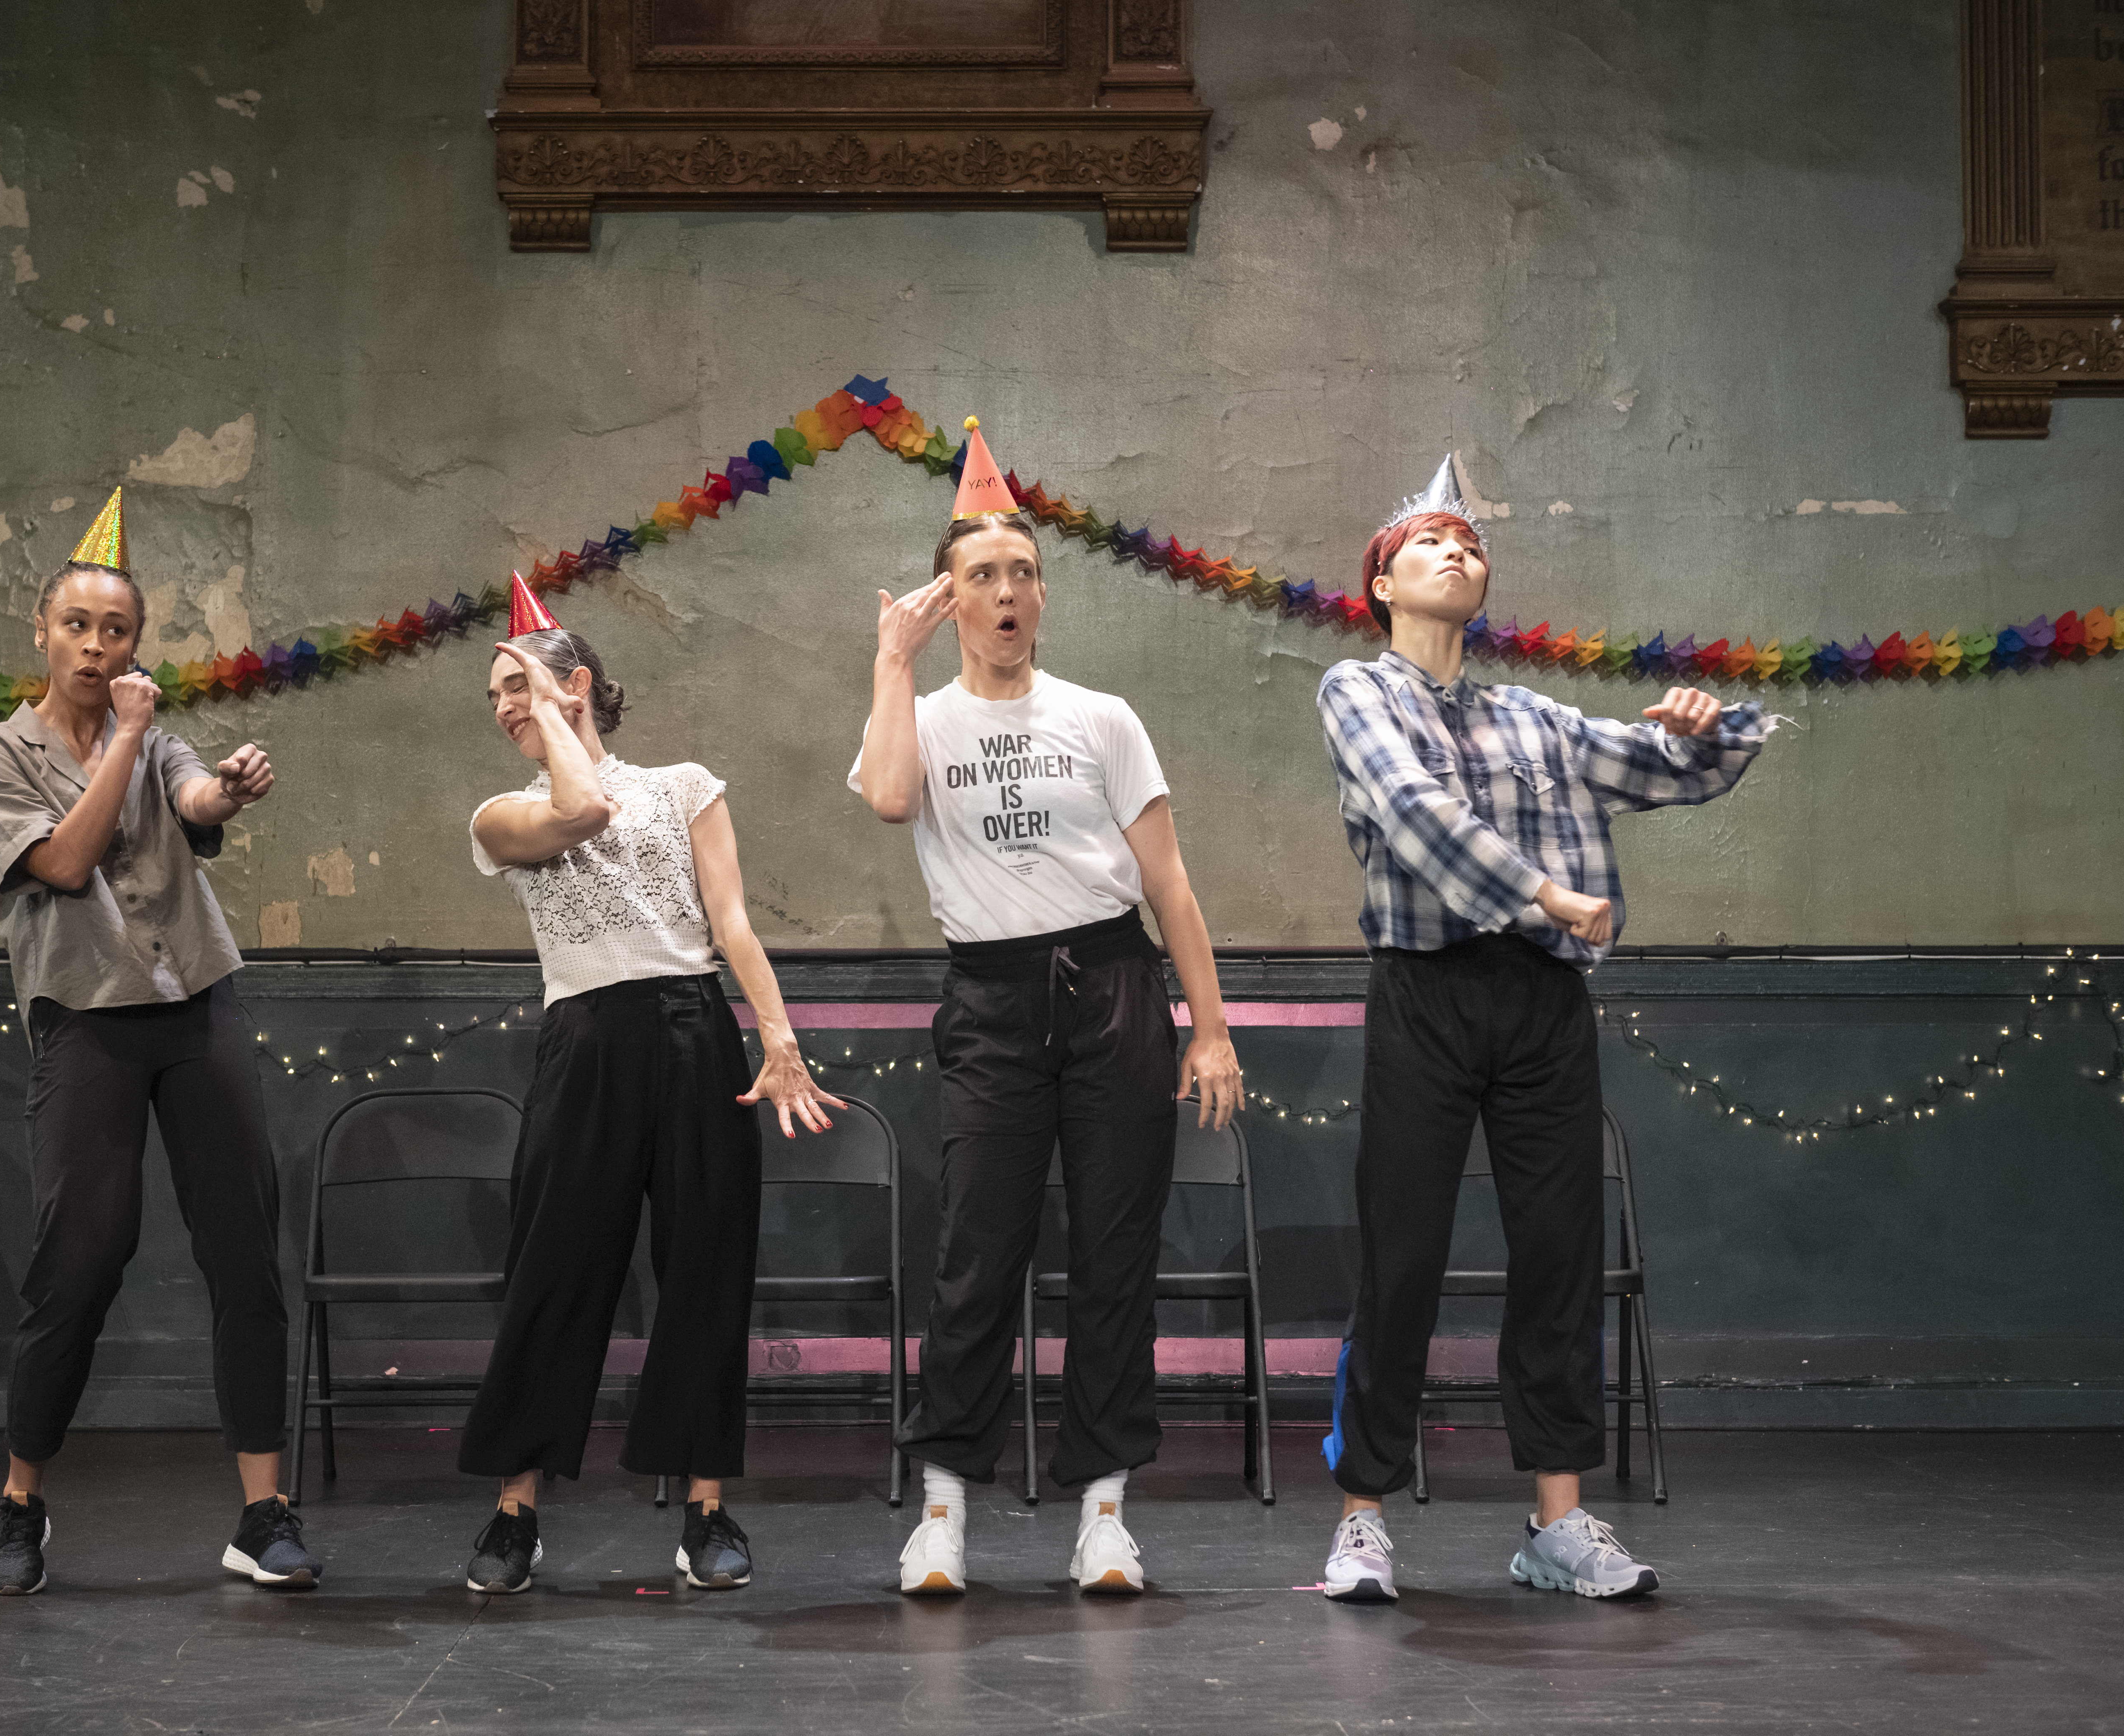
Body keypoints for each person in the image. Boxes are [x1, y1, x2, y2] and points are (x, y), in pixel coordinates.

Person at [1312, 457, 1770, 1604]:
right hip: (1426, 991)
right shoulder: (1355, 692)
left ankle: (1559, 1526)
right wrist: (1546, 896)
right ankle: (1364, 1516)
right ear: (1383, 583)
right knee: (1402, 1252)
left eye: (1471, 543)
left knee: (1559, 1254)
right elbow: (1416, 814)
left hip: (1542, 1003)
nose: (1458, 553)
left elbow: (1664, 766)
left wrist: (1706, 727)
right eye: (1431, 543)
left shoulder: (1537, 716)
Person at [851, 420, 1245, 1598]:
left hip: (1115, 988)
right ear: (949, 598)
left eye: (1024, 572)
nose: (1010, 590)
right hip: (991, 1001)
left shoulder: (1102, 718)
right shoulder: (919, 721)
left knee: (1116, 1260)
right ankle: (943, 1513)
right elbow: (882, 802)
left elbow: (1170, 882)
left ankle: (1106, 1515)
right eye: (983, 576)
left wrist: (1211, 1029)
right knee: (977, 1255)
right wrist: (888, 661)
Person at [0, 488, 315, 1594]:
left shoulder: (158, 739)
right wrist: (126, 735)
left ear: (135, 642)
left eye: (118, 629)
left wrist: (225, 792)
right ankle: (21, 1502)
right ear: (44, 631)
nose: (99, 644)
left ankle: (264, 1511)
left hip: (196, 1007)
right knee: (80, 1261)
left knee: (244, 1255)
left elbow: (189, 795)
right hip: (86, 1026)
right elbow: (65, 863)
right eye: (80, 625)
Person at [458, 576, 844, 1596]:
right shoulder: (504, 815)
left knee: (708, 1270)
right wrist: (553, 721)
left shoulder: (685, 786)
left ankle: (708, 1513)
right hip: (585, 1040)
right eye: (494, 695)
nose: (502, 707)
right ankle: (515, 1514)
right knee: (556, 1272)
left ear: (575, 683)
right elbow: (582, 810)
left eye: (517, 685)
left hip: (691, 1033)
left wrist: (780, 1039)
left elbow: (734, 926)